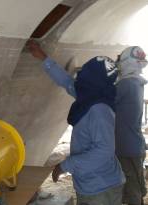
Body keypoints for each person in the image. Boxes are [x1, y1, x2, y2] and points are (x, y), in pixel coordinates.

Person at [27, 40, 125, 205]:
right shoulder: (91, 95)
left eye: (86, 74)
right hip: (94, 183)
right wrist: (43, 58)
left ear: (93, 79)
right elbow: (67, 82)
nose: (81, 77)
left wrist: (65, 165)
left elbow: (104, 151)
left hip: (100, 189)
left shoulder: (99, 110)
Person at [115, 46, 148, 205]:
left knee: (131, 188)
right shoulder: (136, 82)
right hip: (135, 144)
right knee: (136, 184)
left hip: (125, 147)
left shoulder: (125, 84)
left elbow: (104, 98)